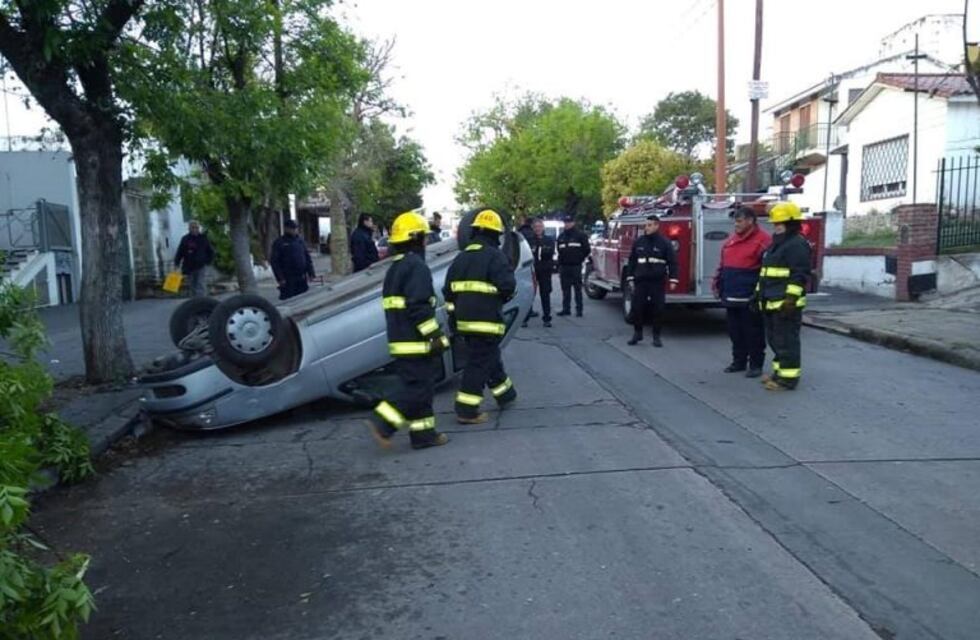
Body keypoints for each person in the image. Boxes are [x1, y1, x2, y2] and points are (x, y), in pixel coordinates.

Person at [368, 211, 450, 450]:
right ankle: (383, 422)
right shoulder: (416, 267)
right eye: (423, 237)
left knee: (422, 388)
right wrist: (435, 336)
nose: (426, 241)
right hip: (415, 343)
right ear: (416, 239)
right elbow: (419, 308)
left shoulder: (395, 268)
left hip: (401, 341)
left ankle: (424, 435)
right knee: (417, 389)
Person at [443, 209, 518, 424]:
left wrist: (453, 320)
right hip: (487, 323)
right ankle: (466, 410)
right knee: (478, 364)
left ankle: (506, 394)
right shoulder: (496, 256)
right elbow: (508, 286)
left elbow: (448, 293)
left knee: (488, 357)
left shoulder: (461, 258)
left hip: (464, 323)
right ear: (496, 235)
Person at [758, 201, 811, 391]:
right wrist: (758, 296)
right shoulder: (777, 244)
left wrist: (790, 300)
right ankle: (778, 373)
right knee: (776, 341)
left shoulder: (797, 244)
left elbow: (799, 275)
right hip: (772, 301)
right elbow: (766, 273)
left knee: (787, 342)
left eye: (779, 224)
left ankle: (788, 379)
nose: (776, 227)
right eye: (775, 224)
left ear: (790, 224)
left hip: (786, 304)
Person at [714, 206, 771, 377]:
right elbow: (723, 266)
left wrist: (760, 293)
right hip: (731, 295)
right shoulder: (731, 241)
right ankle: (738, 362)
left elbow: (767, 271)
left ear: (750, 221)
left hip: (750, 297)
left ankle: (756, 365)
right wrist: (718, 284)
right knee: (735, 332)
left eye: (739, 221)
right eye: (735, 222)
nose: (735, 225)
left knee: (753, 332)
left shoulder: (763, 241)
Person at [626, 214, 678, 347]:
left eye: (649, 225)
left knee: (658, 309)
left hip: (657, 281)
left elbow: (672, 262)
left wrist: (673, 279)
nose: (646, 228)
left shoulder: (664, 243)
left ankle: (656, 336)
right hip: (641, 280)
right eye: (646, 225)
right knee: (637, 307)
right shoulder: (639, 242)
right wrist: (630, 277)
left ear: (656, 225)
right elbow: (632, 261)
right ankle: (637, 333)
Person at [522, 218, 556, 328]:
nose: (538, 229)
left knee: (545, 294)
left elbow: (549, 253)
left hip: (545, 271)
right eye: (536, 227)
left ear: (543, 228)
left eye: (540, 227)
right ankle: (525, 318)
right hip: (532, 271)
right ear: (533, 228)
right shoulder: (529, 240)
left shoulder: (549, 240)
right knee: (529, 294)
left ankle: (547, 318)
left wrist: (540, 248)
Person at [270, 219, 315, 300]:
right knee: (289, 300)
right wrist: (280, 278)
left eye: (295, 228)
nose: (295, 230)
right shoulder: (279, 242)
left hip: (301, 277)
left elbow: (307, 257)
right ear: (286, 229)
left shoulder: (300, 240)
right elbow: (274, 262)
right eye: (292, 228)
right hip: (288, 278)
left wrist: (311, 273)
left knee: (303, 299)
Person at [556, 215, 590, 317]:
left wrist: (579, 258)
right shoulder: (561, 236)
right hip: (564, 266)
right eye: (565, 222)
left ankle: (579, 310)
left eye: (569, 222)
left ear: (573, 223)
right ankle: (566, 309)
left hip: (576, 266)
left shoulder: (580, 235)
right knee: (565, 289)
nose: (567, 224)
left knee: (577, 289)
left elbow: (587, 249)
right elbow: (559, 251)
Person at [173, 220, 215, 298]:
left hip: (200, 266)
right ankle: (193, 303)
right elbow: (180, 252)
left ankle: (201, 302)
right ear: (189, 228)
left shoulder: (203, 238)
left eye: (196, 227)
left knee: (200, 285)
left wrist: (208, 261)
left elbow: (210, 251)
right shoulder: (185, 239)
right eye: (193, 227)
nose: (195, 229)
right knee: (191, 286)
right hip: (189, 267)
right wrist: (176, 263)